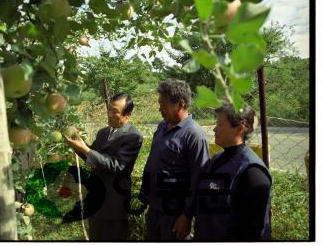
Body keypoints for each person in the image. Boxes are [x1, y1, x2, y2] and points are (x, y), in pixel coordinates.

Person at [63, 93, 143, 241]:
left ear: (128, 115)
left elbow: (117, 165)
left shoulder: (133, 136)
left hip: (114, 204)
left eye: (115, 111)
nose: (110, 114)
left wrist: (86, 149)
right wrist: (77, 146)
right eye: (109, 110)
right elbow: (93, 159)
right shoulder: (103, 133)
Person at [139, 78, 210, 240]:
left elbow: (199, 179)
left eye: (163, 104)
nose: (159, 108)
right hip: (154, 210)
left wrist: (186, 216)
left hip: (174, 216)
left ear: (180, 104)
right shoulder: (162, 127)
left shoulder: (194, 135)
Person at [194, 103, 272, 242]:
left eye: (219, 124)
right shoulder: (217, 159)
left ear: (240, 128)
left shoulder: (252, 173)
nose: (214, 129)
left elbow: (254, 231)